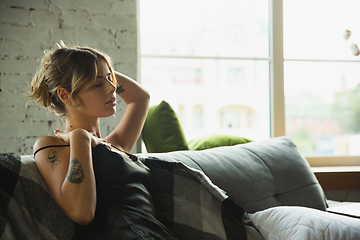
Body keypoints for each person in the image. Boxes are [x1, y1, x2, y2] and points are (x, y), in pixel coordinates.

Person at [28, 41, 177, 240]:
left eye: (111, 79)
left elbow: (141, 98)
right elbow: (82, 213)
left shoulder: (116, 145)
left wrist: (100, 69)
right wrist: (81, 138)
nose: (112, 88)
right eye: (98, 84)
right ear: (65, 95)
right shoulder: (51, 146)